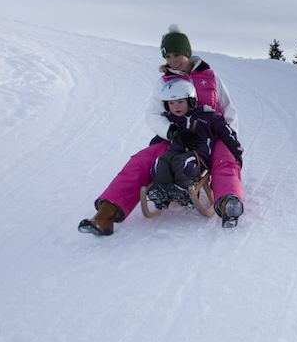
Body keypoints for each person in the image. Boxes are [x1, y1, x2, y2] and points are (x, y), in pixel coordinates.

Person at [79, 24, 245, 235]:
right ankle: (105, 216)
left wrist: (229, 138)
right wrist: (173, 133)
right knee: (140, 161)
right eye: (168, 57)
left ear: (187, 53)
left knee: (225, 160)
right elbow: (152, 115)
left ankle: (227, 204)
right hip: (175, 137)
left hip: (212, 133)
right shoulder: (164, 82)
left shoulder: (211, 78)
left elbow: (228, 109)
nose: (173, 61)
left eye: (177, 55)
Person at [148, 80, 243, 212]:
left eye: (180, 102)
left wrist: (236, 150)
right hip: (176, 151)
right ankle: (162, 190)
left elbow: (225, 132)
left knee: (182, 161)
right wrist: (153, 145)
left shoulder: (207, 116)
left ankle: (185, 190)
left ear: (191, 100)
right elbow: (162, 135)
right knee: (162, 159)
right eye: (171, 103)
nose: (176, 107)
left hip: (199, 155)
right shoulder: (172, 120)